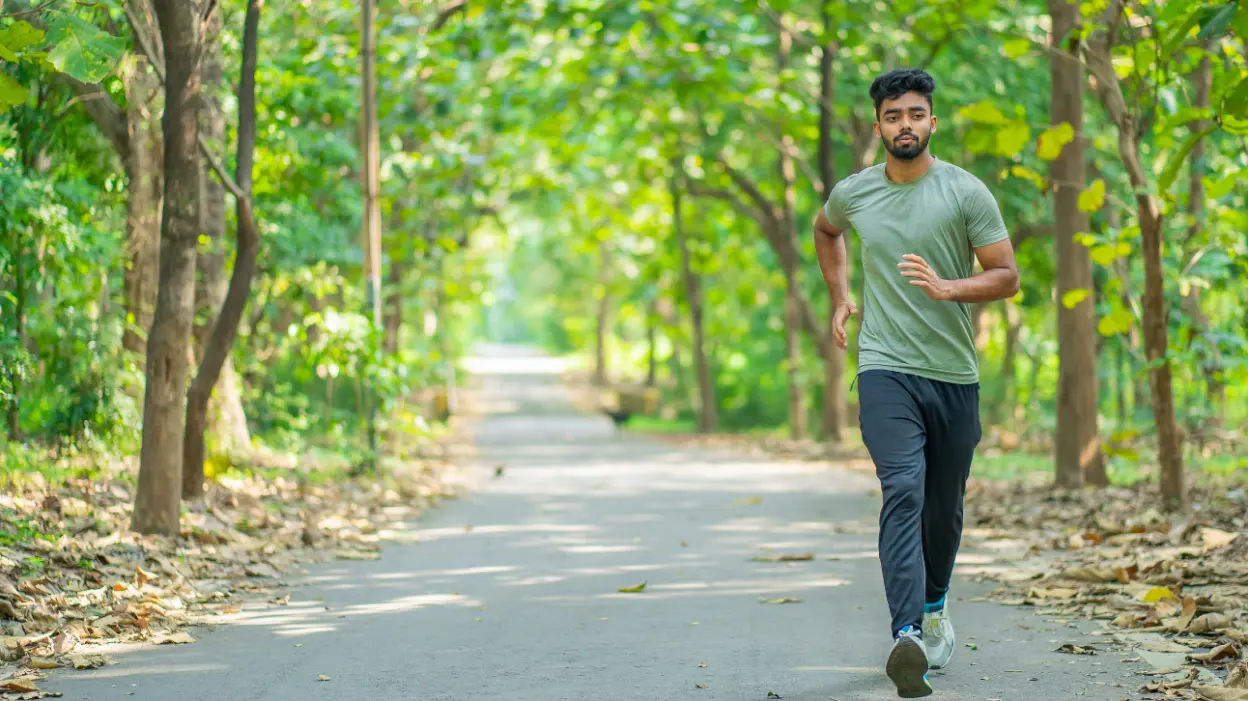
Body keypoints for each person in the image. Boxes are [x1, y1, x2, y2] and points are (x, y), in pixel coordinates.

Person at [812, 68, 1020, 698]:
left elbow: (1007, 275)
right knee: (902, 488)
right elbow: (825, 231)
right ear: (877, 127)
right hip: (883, 368)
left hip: (953, 373)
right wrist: (842, 295)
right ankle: (906, 634)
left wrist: (949, 287)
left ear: (933, 122)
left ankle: (934, 606)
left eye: (915, 114)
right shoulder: (855, 193)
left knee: (942, 505)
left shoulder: (965, 192)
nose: (905, 124)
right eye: (893, 115)